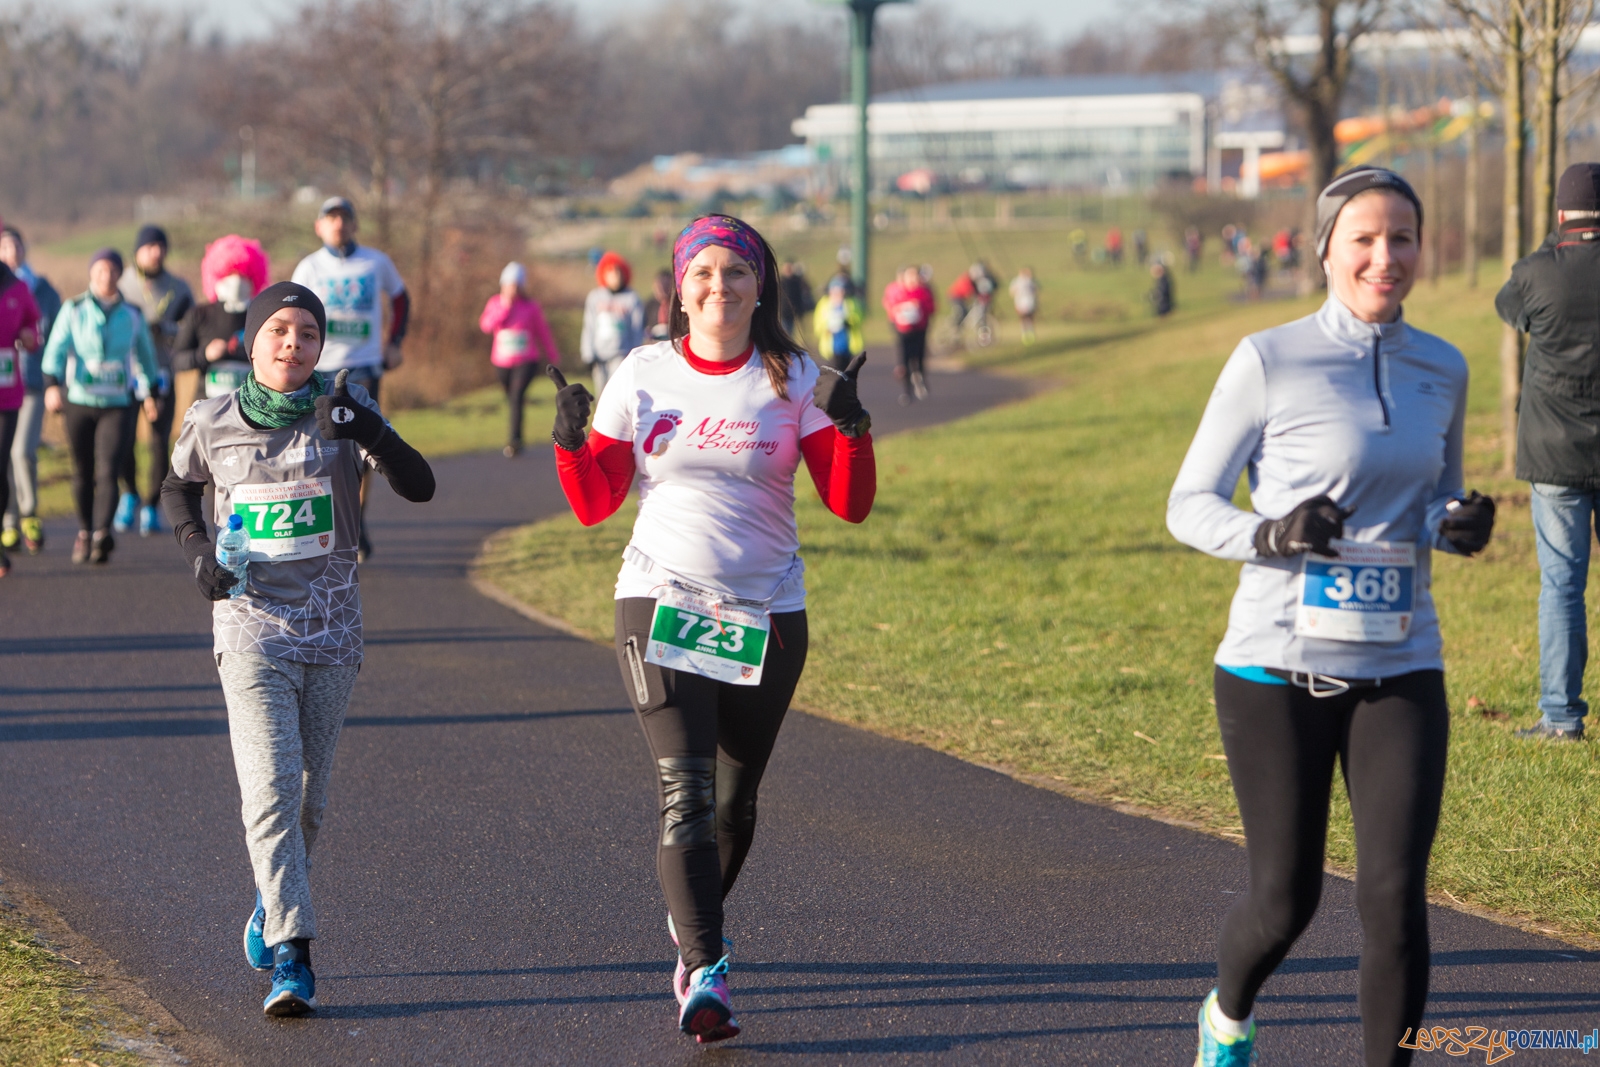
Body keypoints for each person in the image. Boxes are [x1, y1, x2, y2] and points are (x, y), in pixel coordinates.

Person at [1167, 166, 1495, 1067]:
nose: (1385, 256)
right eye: (1364, 238)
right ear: (1324, 249)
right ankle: (1227, 1014)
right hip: (1276, 667)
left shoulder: (1444, 365)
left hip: (1402, 662)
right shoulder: (1268, 358)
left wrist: (1455, 522)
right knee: (1286, 901)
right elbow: (1188, 503)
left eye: (1402, 238)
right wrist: (1270, 531)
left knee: (1394, 896)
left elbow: (1432, 496)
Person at [547, 214, 875, 1045]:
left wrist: (853, 426)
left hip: (766, 612)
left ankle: (692, 919)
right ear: (677, 287)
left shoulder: (795, 375)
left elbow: (850, 503)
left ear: (759, 286)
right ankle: (705, 967)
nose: (718, 287)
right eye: (702, 273)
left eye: (735, 273)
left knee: (734, 802)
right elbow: (594, 503)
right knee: (684, 794)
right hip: (660, 598)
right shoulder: (643, 372)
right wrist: (570, 442)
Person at [161, 282, 434, 1018]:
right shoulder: (212, 418)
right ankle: (294, 954)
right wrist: (195, 552)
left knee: (309, 803)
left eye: (307, 332)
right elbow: (176, 489)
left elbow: (421, 485)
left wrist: (368, 431)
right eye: (277, 330)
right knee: (272, 790)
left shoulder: (345, 410)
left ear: (320, 345)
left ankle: (269, 902)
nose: (291, 343)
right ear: (252, 342)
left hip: (334, 630)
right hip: (250, 627)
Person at [1495, 161, 1600, 742]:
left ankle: (1561, 718)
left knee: (1562, 586)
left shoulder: (1537, 272)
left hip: (1555, 454)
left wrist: (1551, 243)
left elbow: (1509, 310)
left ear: (1561, 215)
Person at [292, 196, 410, 561]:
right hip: (320, 367)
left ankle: (356, 522)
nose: (338, 224)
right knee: (316, 448)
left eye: (344, 217)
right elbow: (291, 312)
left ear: (354, 224)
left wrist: (395, 342)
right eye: (331, 218)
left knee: (363, 446)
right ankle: (320, 525)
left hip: (364, 365)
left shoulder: (376, 262)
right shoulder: (309, 267)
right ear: (319, 226)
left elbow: (401, 298)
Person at [41, 249, 161, 565]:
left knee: (109, 468)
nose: (105, 276)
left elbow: (146, 356)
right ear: (91, 273)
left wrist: (151, 391)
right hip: (78, 400)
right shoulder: (74, 309)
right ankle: (84, 531)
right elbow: (54, 350)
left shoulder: (133, 314)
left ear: (120, 275)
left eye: (111, 270)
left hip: (117, 403)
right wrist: (51, 385)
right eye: (100, 270)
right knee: (83, 470)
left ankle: (101, 534)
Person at [116, 224, 193, 537]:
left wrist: (168, 331)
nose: (156, 252)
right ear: (137, 251)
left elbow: (190, 330)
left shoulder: (179, 288)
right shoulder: (121, 284)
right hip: (126, 374)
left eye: (160, 247)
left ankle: (150, 504)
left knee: (160, 441)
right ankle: (129, 493)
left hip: (162, 372)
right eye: (149, 247)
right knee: (122, 440)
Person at [1, 225, 61, 556]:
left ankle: (29, 512)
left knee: (22, 451)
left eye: (15, 245)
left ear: (24, 249)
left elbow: (49, 335)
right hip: (3, 387)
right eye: (4, 246)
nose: (10, 252)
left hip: (32, 385)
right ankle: (8, 522)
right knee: (3, 456)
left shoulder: (40, 290)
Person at [173, 235, 272, 408]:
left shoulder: (262, 316)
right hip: (207, 407)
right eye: (230, 273)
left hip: (250, 410)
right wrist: (204, 355)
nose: (236, 280)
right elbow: (177, 359)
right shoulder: (199, 315)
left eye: (243, 274)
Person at [478, 262, 559, 458]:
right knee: (512, 398)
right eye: (509, 284)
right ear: (503, 285)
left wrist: (553, 354)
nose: (512, 289)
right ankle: (516, 437)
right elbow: (486, 326)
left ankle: (515, 440)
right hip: (502, 362)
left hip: (526, 360)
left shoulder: (531, 307)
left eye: (516, 285)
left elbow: (542, 331)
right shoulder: (495, 303)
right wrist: (504, 308)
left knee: (516, 397)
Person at [0, 218, 43, 578]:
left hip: (14, 390)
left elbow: (36, 325)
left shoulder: (20, 287)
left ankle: (12, 527)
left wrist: (29, 336)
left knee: (9, 459)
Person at [581, 251, 645, 396]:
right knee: (601, 394)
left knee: (617, 393)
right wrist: (588, 353)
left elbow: (636, 329)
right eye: (610, 272)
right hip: (599, 356)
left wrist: (634, 354)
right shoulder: (595, 297)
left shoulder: (632, 299)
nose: (614, 276)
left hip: (621, 355)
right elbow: (589, 326)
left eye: (618, 272)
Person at [885, 265, 936, 405]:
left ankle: (921, 380)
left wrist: (919, 307)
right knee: (905, 360)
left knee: (919, 358)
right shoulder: (900, 292)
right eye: (909, 276)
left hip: (920, 329)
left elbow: (931, 308)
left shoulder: (923, 292)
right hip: (904, 331)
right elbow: (891, 308)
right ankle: (907, 391)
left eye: (915, 276)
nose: (912, 279)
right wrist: (901, 310)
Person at [812, 276, 863, 373]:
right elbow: (818, 325)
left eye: (841, 291)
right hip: (831, 346)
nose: (838, 294)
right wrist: (827, 328)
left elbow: (859, 318)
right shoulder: (824, 304)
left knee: (847, 373)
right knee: (834, 373)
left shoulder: (850, 303)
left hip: (848, 344)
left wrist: (848, 320)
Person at [778, 260, 814, 342]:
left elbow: (803, 293)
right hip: (783, 312)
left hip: (794, 312)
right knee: (784, 333)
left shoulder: (797, 281)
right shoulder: (780, 282)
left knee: (792, 334)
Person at [1009, 266, 1038, 344]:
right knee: (1023, 318)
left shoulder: (1029, 281)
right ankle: (1024, 333)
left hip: (1029, 301)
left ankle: (1031, 332)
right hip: (1020, 302)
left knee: (1029, 317)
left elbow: (1035, 290)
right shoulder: (1016, 281)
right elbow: (1012, 292)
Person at [645, 269, 674, 341]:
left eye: (666, 285)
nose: (663, 289)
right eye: (660, 286)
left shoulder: (677, 304)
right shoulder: (650, 305)